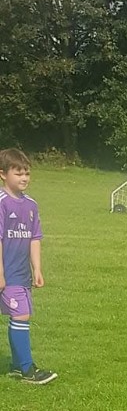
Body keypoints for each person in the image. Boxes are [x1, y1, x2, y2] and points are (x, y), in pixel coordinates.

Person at [0, 148, 56, 384]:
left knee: (19, 315)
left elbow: (35, 238)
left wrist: (37, 269)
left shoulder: (31, 205)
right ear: (3, 174)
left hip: (21, 275)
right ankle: (26, 369)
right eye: (18, 173)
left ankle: (16, 365)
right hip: (6, 273)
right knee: (21, 314)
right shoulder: (1, 203)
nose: (24, 178)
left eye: (27, 173)